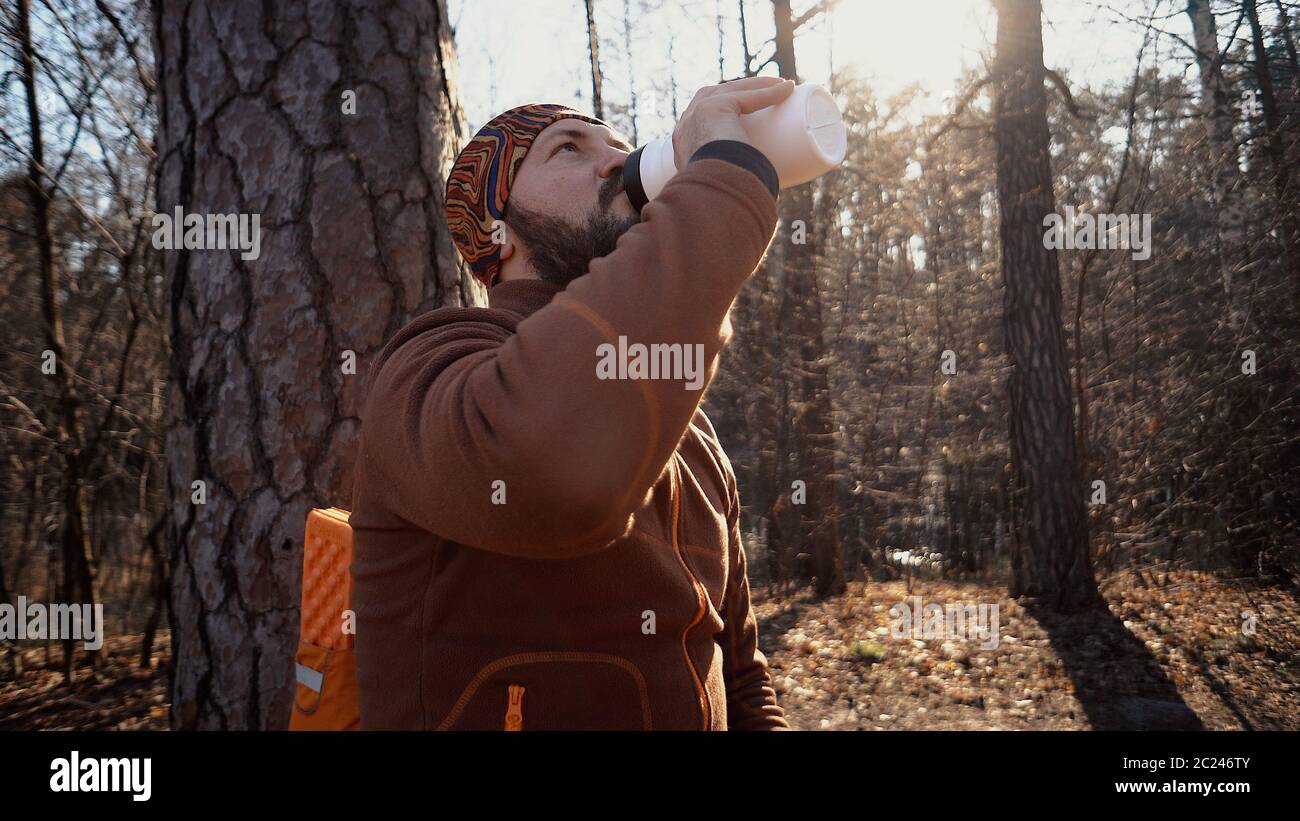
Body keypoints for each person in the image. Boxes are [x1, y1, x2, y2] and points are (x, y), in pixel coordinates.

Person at [350, 76, 795, 730]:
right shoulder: (430, 365)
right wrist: (725, 183)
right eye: (569, 150)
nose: (618, 160)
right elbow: (549, 470)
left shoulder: (694, 434)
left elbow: (739, 670)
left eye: (619, 145)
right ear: (494, 229)